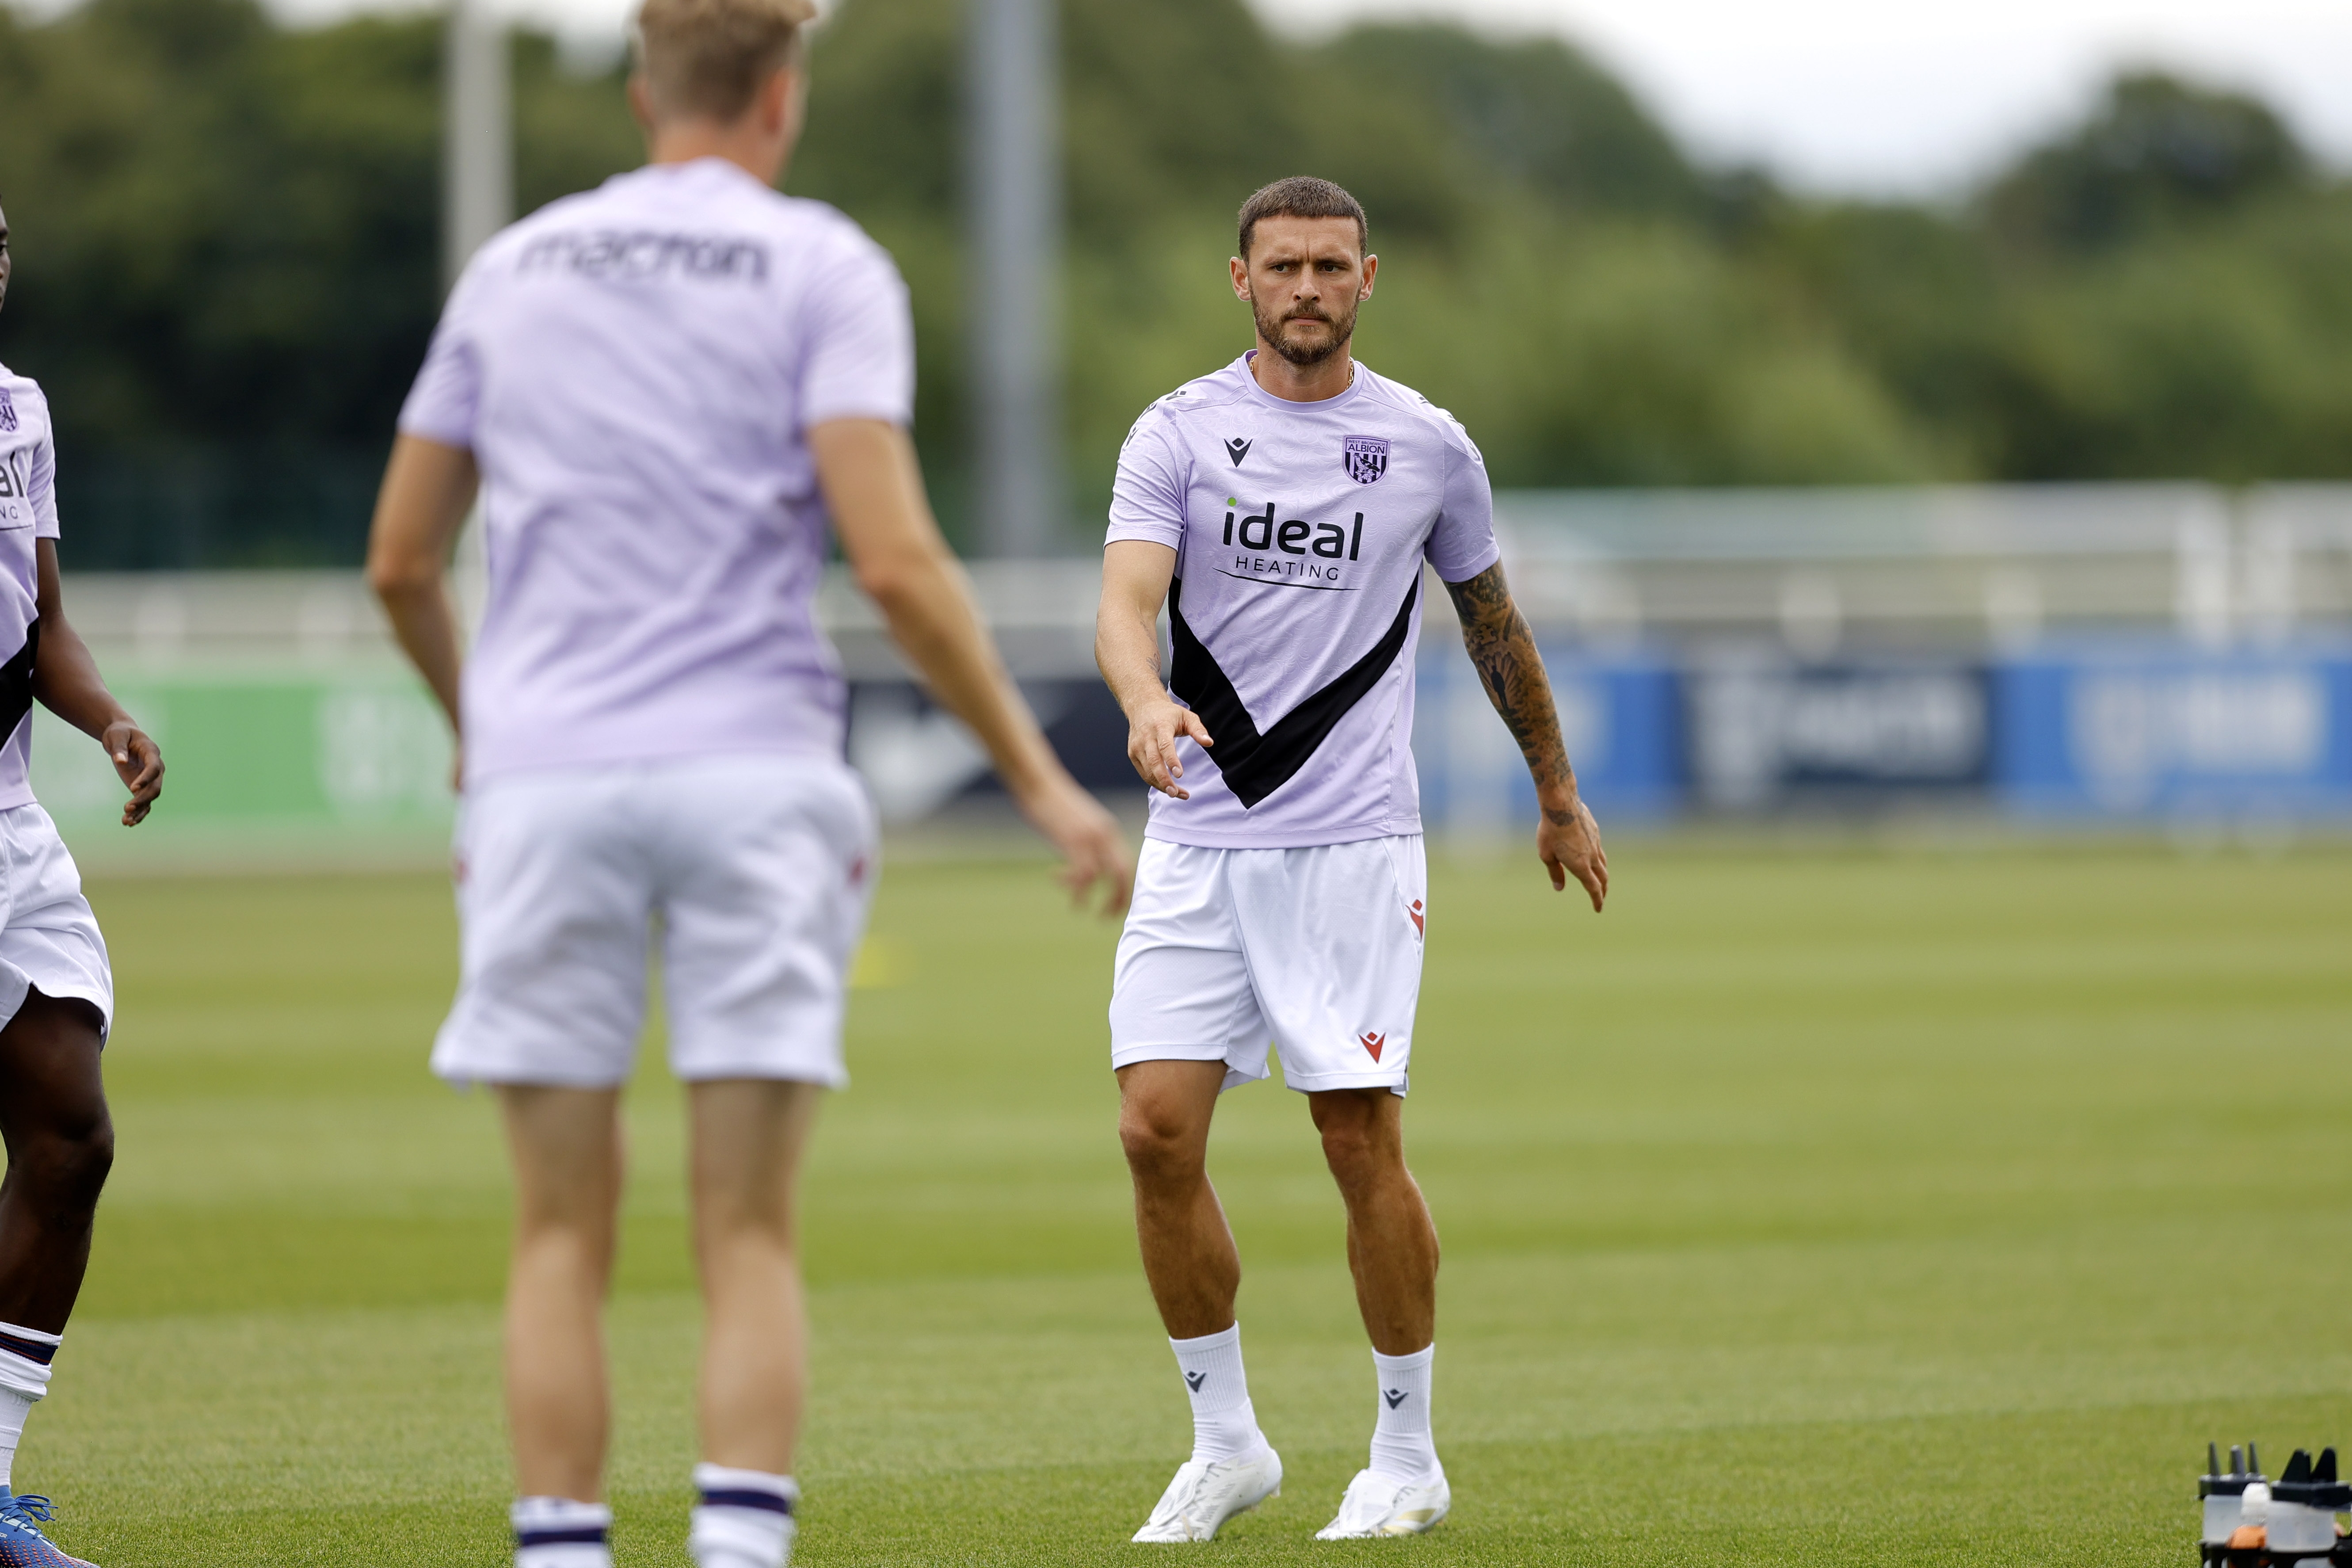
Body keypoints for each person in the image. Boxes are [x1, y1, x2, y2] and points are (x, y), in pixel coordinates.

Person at [364, 4, 1128, 1565]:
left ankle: (562, 1547)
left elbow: (398, 561)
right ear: (780, 99)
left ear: (644, 88)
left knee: (559, 1228)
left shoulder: (510, 266)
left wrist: (483, 724)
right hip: (756, 771)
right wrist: (1046, 782)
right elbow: (899, 564)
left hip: (546, 784)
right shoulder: (823, 265)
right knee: (748, 1228)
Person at [1094, 175, 1609, 1543]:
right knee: (1153, 1132)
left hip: (1353, 847)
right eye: (1283, 266)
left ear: (1367, 279)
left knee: (1355, 1138)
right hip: (1198, 841)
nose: (1306, 287)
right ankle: (1227, 1444)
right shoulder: (1180, 433)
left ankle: (1406, 1453)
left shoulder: (1427, 447)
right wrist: (1146, 702)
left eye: (1330, 265)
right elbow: (1124, 602)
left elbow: (1496, 626)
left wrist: (1554, 792)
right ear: (1240, 280)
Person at [0, 200, 170, 1568]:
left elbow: (42, 621)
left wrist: (105, 713)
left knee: (72, 1133)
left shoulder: (19, 412)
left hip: (7, 823)